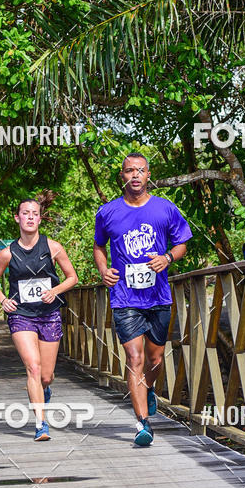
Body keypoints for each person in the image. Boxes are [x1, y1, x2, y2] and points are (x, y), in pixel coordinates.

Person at [94, 153, 192, 447]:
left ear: (149, 175)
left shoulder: (165, 208)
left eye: (140, 170)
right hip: (125, 297)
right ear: (122, 177)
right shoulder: (107, 212)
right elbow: (99, 246)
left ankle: (148, 388)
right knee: (134, 358)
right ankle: (142, 423)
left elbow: (182, 243)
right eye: (129, 171)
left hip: (158, 295)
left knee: (155, 359)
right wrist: (103, 270)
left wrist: (167, 258)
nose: (135, 175)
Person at [0, 198, 78, 441]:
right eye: (25, 213)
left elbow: (72, 277)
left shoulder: (54, 247)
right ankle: (41, 424)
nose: (29, 217)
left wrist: (55, 291)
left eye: (34, 214)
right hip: (21, 315)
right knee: (33, 368)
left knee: (46, 375)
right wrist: (3, 299)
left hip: (49, 315)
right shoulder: (7, 253)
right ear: (17, 218)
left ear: (39, 219)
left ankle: (44, 389)